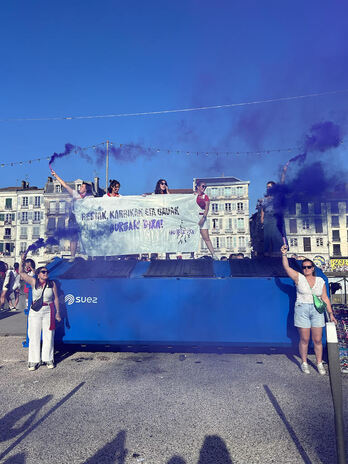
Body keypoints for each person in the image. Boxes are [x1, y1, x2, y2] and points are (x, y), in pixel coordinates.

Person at [281, 244, 337, 375]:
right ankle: (304, 362)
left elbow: (325, 298)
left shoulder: (320, 280)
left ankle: (319, 363)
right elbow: (286, 267)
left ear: (313, 268)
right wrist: (284, 254)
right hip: (302, 309)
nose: (306, 269)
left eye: (309, 267)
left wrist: (331, 314)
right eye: (304, 267)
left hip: (317, 310)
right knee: (304, 339)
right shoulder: (298, 278)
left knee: (317, 339)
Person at [19, 257, 61, 371]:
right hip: (35, 312)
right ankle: (33, 361)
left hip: (48, 310)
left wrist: (58, 313)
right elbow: (21, 273)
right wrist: (22, 260)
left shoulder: (52, 284)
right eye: (43, 272)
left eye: (47, 272)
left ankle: (48, 359)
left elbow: (56, 298)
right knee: (34, 335)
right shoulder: (33, 282)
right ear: (38, 275)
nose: (46, 273)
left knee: (49, 335)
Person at [50, 169, 92, 260]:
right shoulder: (76, 194)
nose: (80, 187)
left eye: (82, 186)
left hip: (84, 219)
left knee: (85, 238)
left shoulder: (90, 198)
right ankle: (72, 256)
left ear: (86, 189)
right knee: (73, 238)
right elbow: (65, 185)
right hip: (74, 218)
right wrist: (55, 176)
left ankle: (87, 255)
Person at [259, 181, 285, 257]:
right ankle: (267, 253)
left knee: (275, 235)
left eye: (269, 187)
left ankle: (278, 252)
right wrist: (262, 220)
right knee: (267, 236)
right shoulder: (264, 199)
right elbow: (262, 210)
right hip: (267, 218)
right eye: (267, 187)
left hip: (274, 217)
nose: (268, 188)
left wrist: (284, 172)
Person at [194, 180, 217, 260]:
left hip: (202, 216)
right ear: (198, 187)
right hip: (193, 217)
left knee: (206, 237)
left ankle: (213, 254)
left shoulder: (205, 196)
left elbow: (207, 207)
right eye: (203, 186)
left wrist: (203, 218)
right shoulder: (192, 195)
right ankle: (191, 254)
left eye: (205, 187)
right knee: (191, 236)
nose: (204, 188)